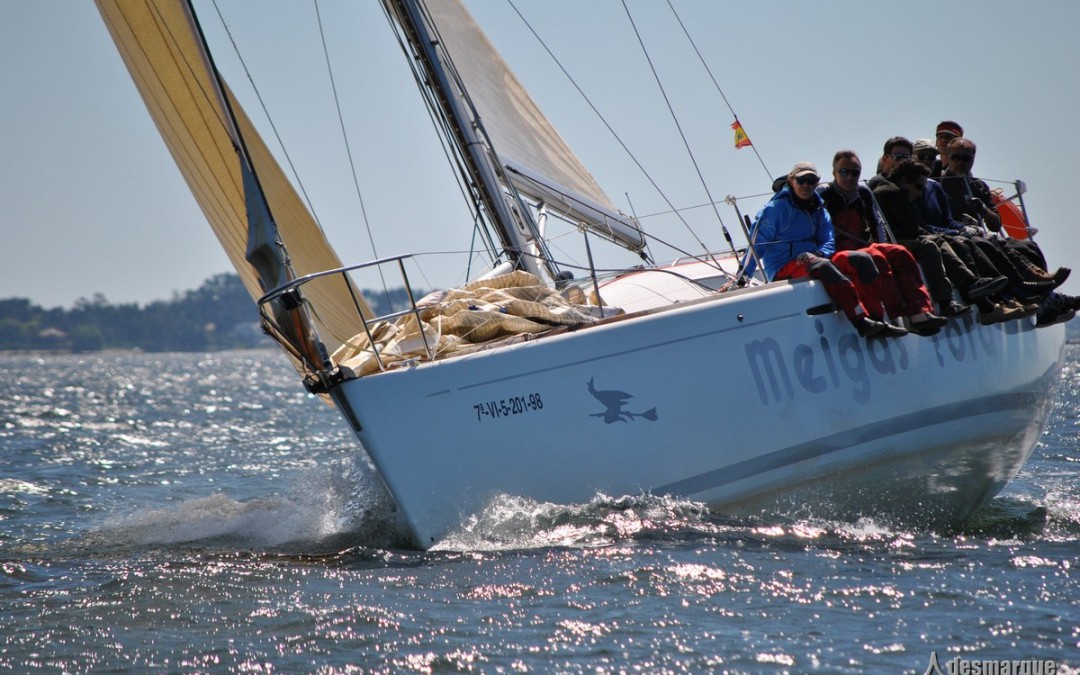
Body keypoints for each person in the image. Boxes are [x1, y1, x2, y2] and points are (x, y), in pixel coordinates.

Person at [745, 161, 906, 338]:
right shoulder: (775, 209)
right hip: (783, 266)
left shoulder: (819, 209)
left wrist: (818, 254)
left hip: (815, 259)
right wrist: (743, 276)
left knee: (861, 259)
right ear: (791, 180)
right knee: (823, 265)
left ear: (817, 183)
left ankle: (877, 319)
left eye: (811, 181)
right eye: (801, 180)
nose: (806, 185)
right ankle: (860, 321)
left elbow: (828, 241)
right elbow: (757, 244)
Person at [873, 159, 1026, 325]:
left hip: (900, 238)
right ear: (904, 180)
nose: (920, 194)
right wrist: (944, 234)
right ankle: (949, 300)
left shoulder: (896, 192)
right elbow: (912, 230)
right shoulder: (894, 193)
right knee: (930, 244)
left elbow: (917, 227)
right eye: (919, 187)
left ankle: (974, 286)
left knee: (944, 240)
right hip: (893, 243)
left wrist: (952, 233)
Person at [817, 149, 948, 335]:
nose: (850, 177)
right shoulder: (822, 193)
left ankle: (919, 313)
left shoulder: (863, 192)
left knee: (900, 253)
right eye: (844, 172)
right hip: (836, 253)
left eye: (855, 173)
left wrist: (884, 245)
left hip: (863, 248)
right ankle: (895, 316)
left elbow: (877, 222)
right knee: (876, 258)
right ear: (834, 172)